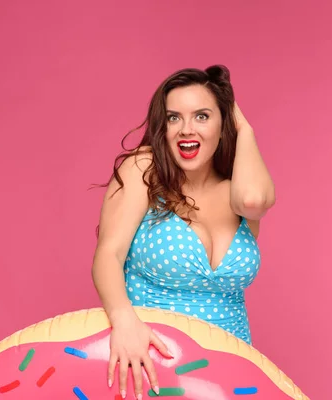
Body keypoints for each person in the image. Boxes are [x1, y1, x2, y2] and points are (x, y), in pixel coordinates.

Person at [91, 65, 275, 399]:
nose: (185, 129)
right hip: (151, 368)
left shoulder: (237, 191)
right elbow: (108, 254)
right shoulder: (143, 168)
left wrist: (245, 130)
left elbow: (255, 200)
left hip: (233, 373)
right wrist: (124, 321)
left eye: (202, 116)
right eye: (174, 118)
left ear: (224, 124)